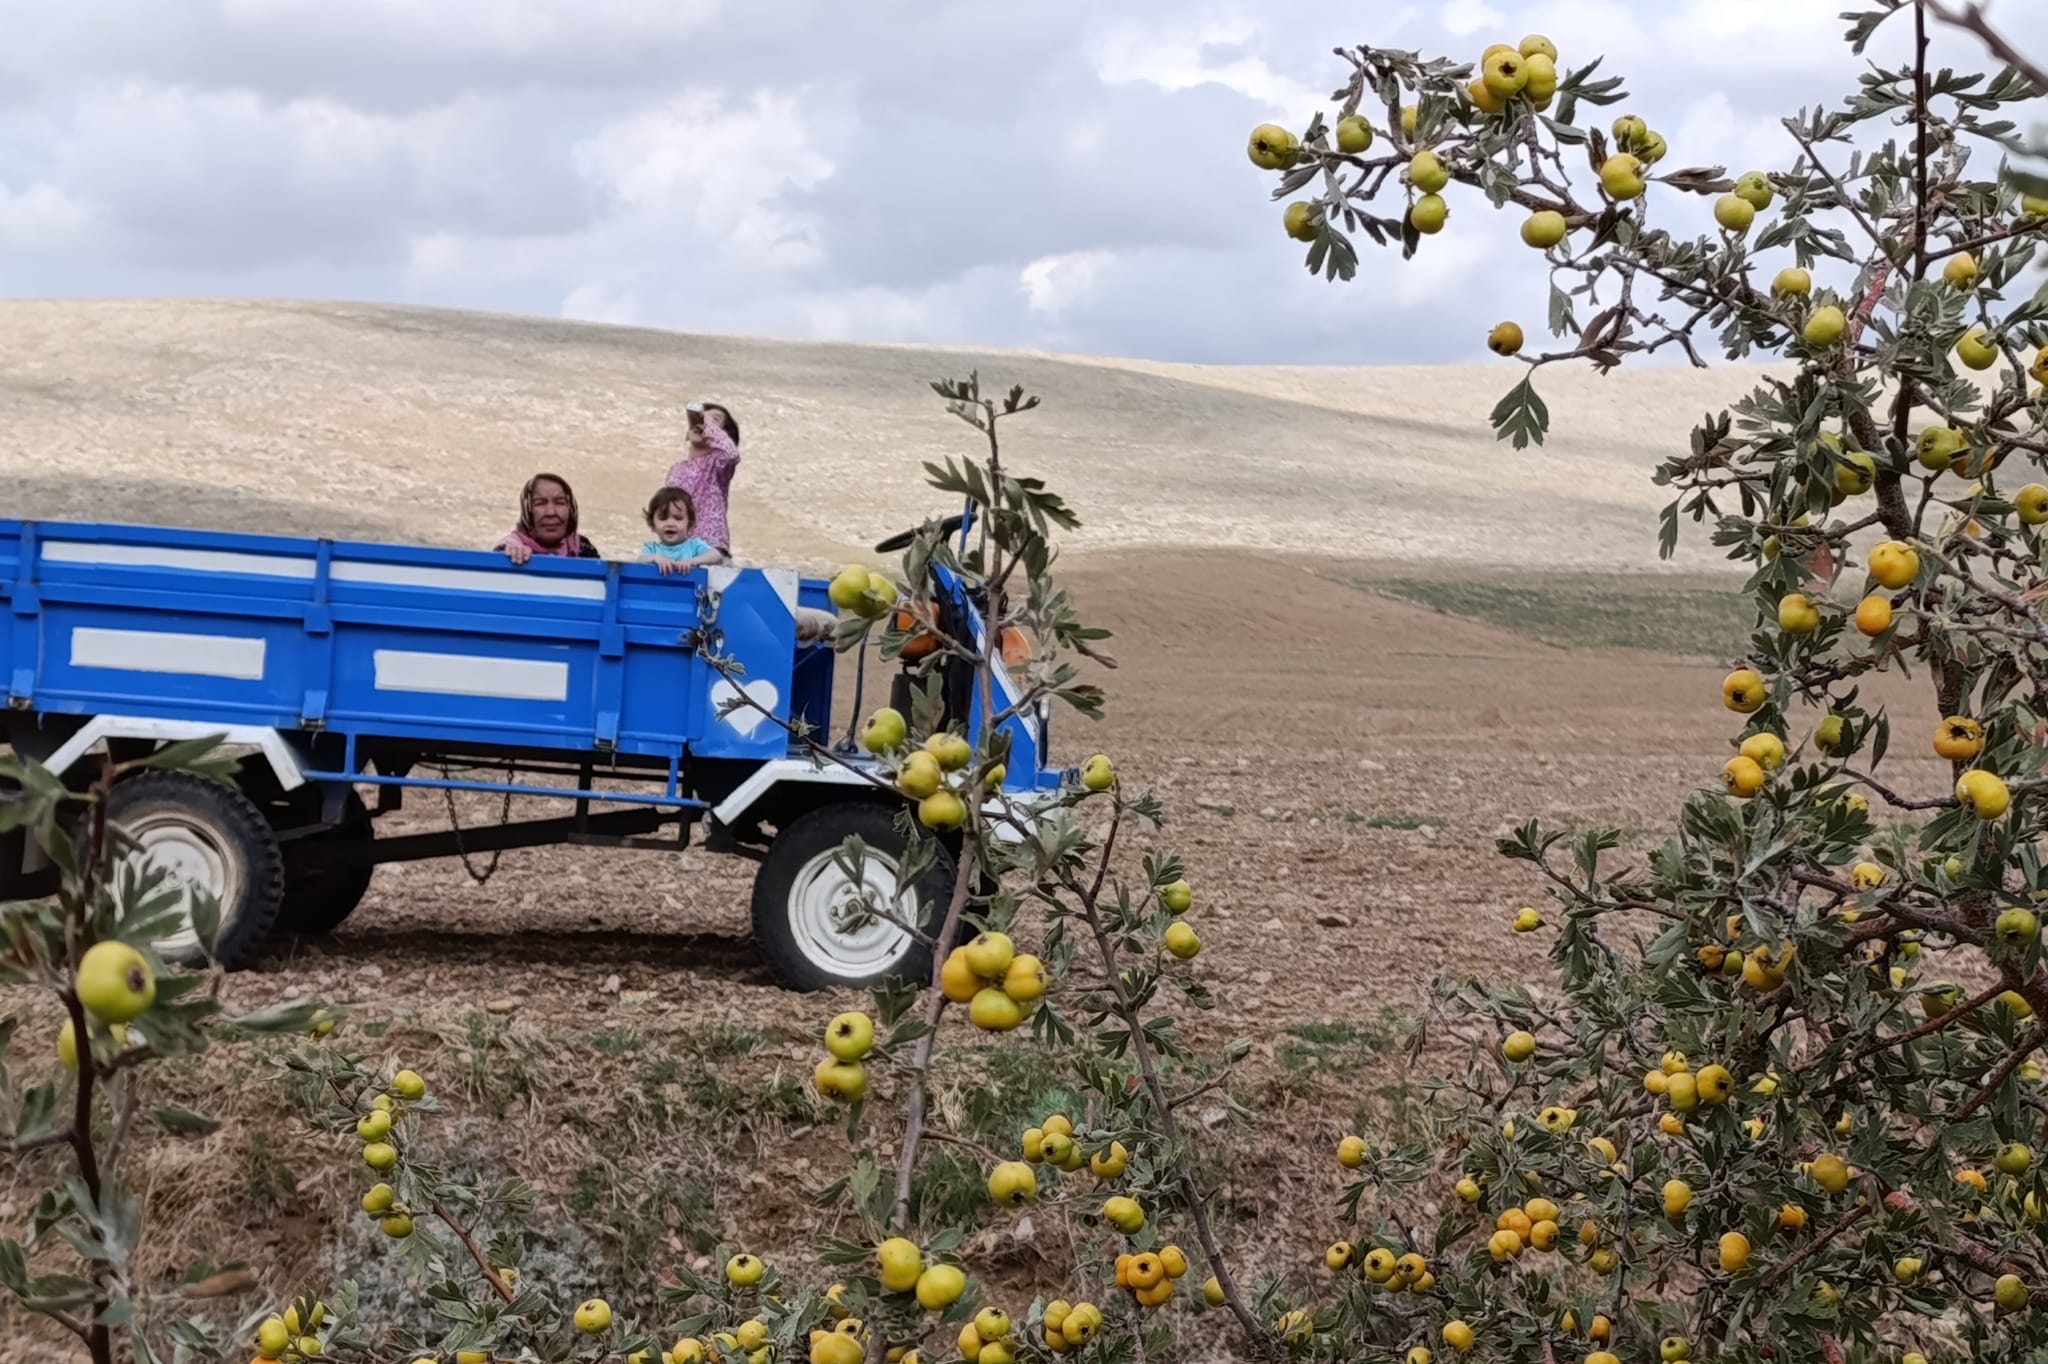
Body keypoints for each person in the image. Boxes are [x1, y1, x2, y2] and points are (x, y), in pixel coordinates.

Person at [663, 401, 740, 561]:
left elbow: (730, 454)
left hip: (709, 550)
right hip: (679, 552)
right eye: (702, 415)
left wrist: (709, 425)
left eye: (715, 419)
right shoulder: (676, 469)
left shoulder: (717, 465)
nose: (702, 419)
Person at [497, 473, 601, 563]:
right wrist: (512, 561)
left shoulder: (584, 550)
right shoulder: (508, 551)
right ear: (527, 513)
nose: (551, 512)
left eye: (559, 502)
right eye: (540, 503)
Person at [636, 486, 721, 575]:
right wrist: (654, 558)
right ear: (652, 523)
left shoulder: (694, 546)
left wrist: (693, 561)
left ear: (689, 523)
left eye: (678, 518)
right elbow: (639, 561)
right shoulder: (651, 549)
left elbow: (716, 556)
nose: (670, 523)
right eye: (663, 518)